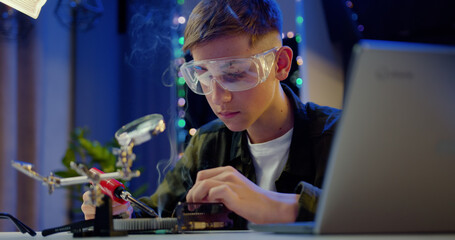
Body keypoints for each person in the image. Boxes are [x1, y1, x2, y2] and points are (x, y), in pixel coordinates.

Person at [82, 0, 341, 227]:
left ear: (280, 64)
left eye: (234, 74)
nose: (218, 98)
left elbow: (376, 212)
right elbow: (154, 214)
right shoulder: (208, 143)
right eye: (204, 76)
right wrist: (119, 213)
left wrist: (274, 205)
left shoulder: (341, 137)